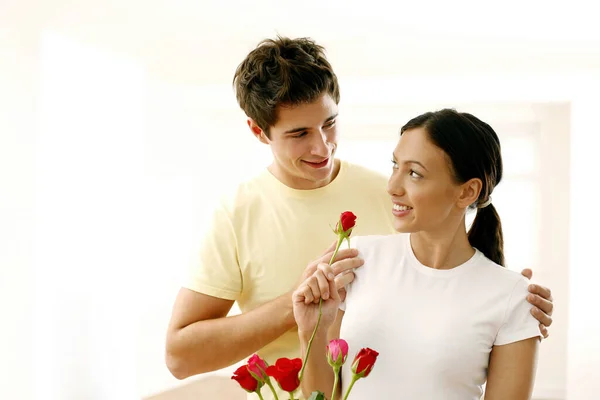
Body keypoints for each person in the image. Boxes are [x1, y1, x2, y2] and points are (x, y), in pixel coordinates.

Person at [164, 37, 554, 399]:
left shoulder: (394, 198)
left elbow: (454, 275)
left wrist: (509, 305)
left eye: (330, 123)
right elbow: (180, 358)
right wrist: (299, 304)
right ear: (258, 131)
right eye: (299, 133)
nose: (322, 146)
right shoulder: (236, 214)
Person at [294, 109, 543, 400]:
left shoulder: (511, 296)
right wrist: (311, 331)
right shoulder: (359, 260)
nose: (392, 186)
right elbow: (323, 395)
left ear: (466, 192)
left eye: (414, 173)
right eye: (394, 166)